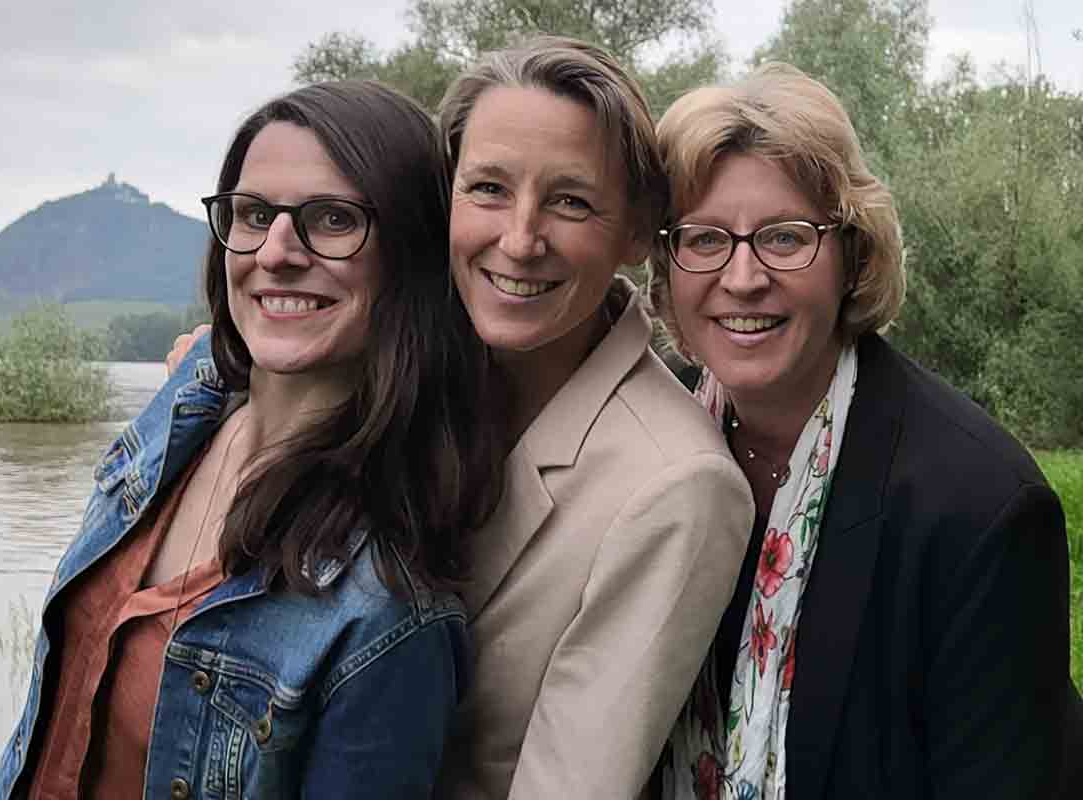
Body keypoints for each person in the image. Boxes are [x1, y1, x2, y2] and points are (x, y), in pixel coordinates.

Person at [168, 36, 755, 800]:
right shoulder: (393, 372)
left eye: (571, 201)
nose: (520, 240)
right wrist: (211, 370)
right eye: (487, 189)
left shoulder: (677, 489)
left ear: (637, 232)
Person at [0, 80, 507, 800]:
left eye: (333, 219)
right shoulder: (174, 423)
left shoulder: (387, 613)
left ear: (411, 253)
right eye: (255, 214)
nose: (277, 251)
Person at [650, 62, 1083, 799]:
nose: (743, 277)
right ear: (667, 262)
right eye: (705, 238)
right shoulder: (646, 441)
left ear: (853, 256)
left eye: (785, 237)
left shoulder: (980, 510)